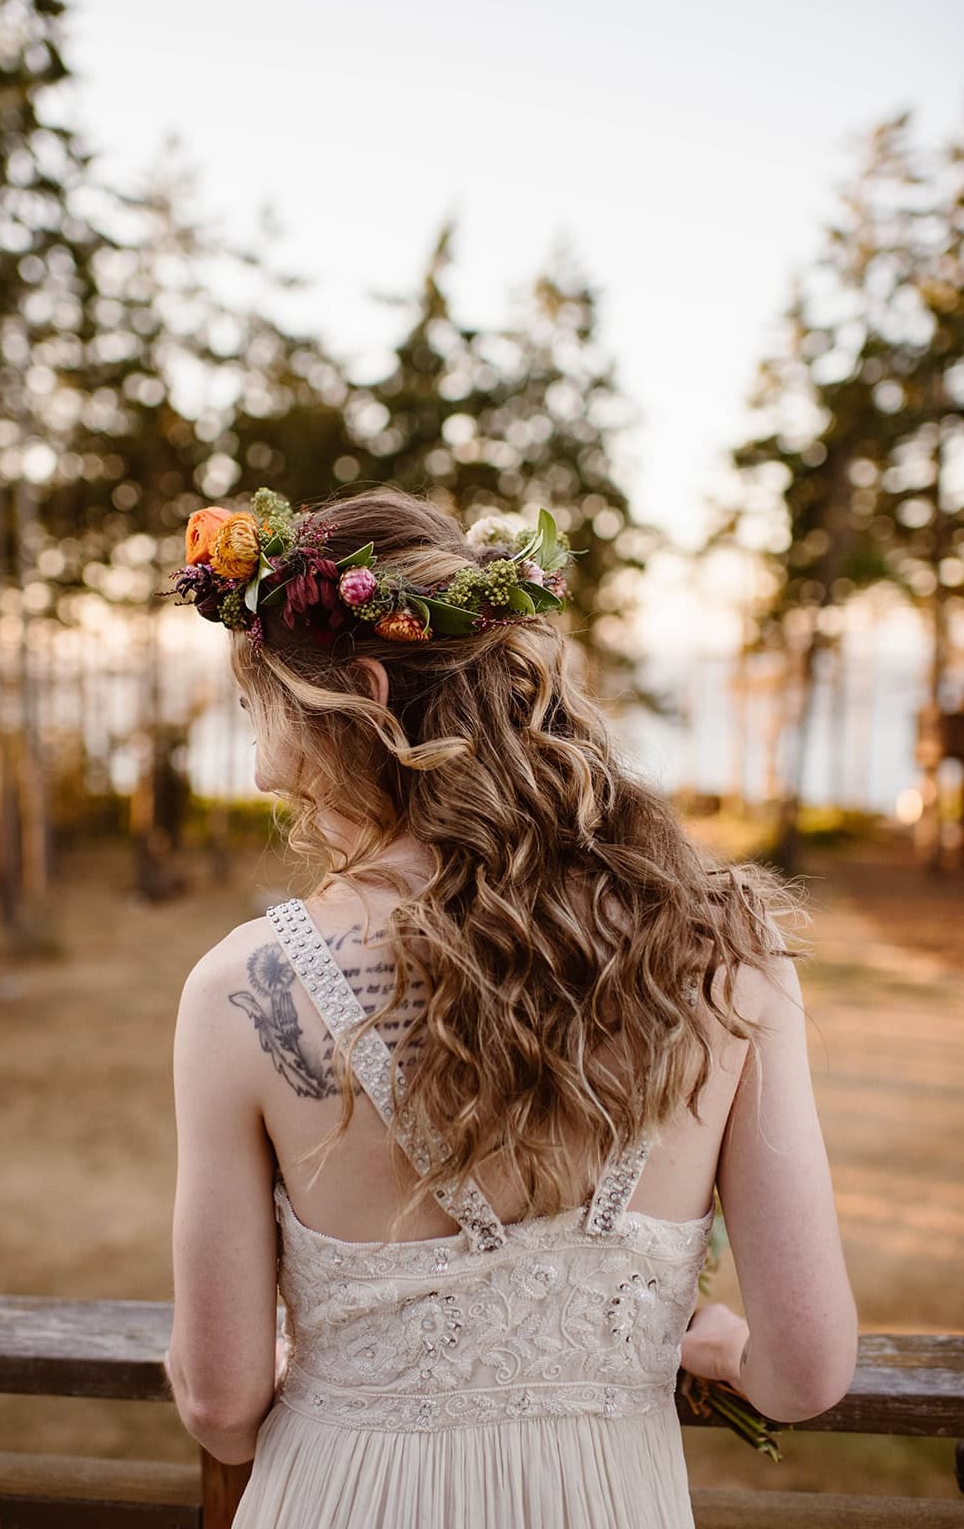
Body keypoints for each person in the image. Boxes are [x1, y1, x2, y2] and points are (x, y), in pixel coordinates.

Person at [163, 485, 858, 1528]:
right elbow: (805, 1374)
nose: (261, 753)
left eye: (262, 701)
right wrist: (710, 1342)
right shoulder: (731, 954)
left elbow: (221, 1403)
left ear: (357, 692)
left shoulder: (243, 991)